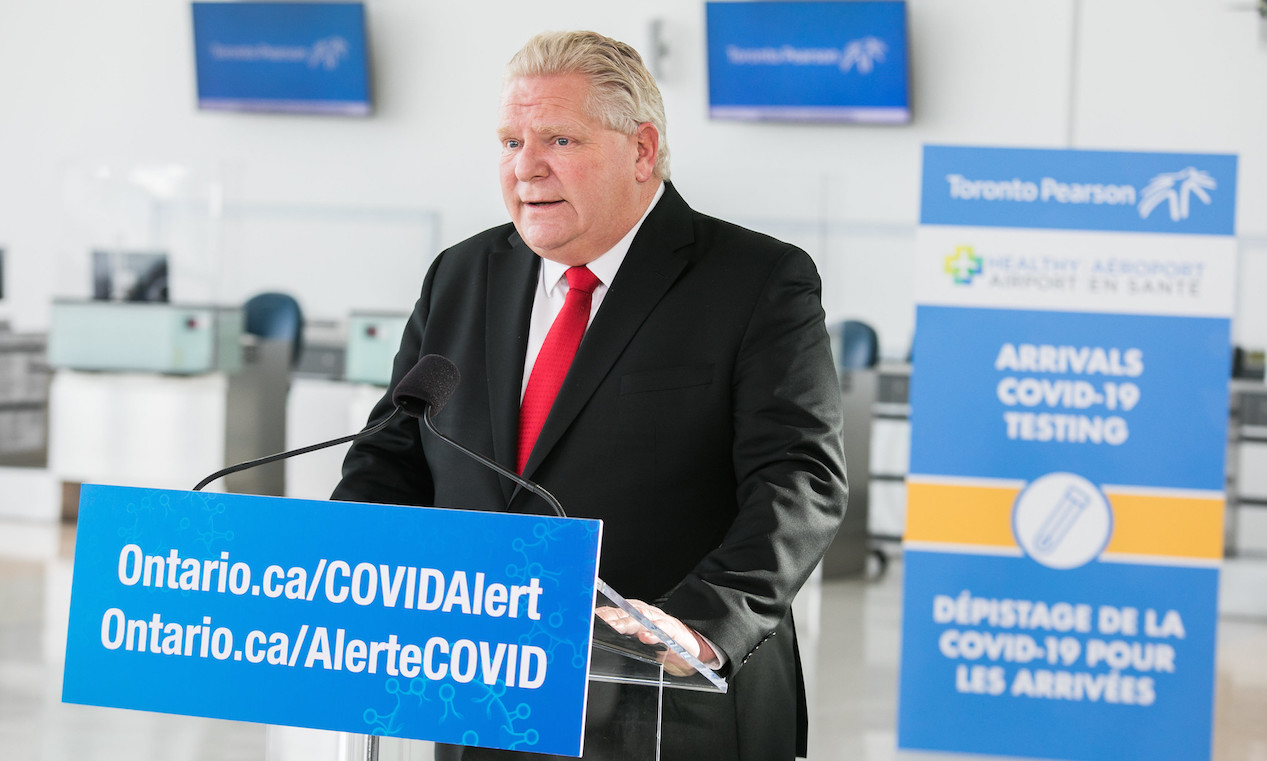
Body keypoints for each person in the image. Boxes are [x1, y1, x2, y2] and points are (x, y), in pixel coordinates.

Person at [332, 30, 847, 761]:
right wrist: (337, 572)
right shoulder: (462, 272)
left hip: (669, 698)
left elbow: (799, 481)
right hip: (479, 696)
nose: (525, 167)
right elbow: (392, 454)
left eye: (559, 140)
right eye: (510, 141)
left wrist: (702, 623)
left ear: (641, 150)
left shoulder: (756, 280)